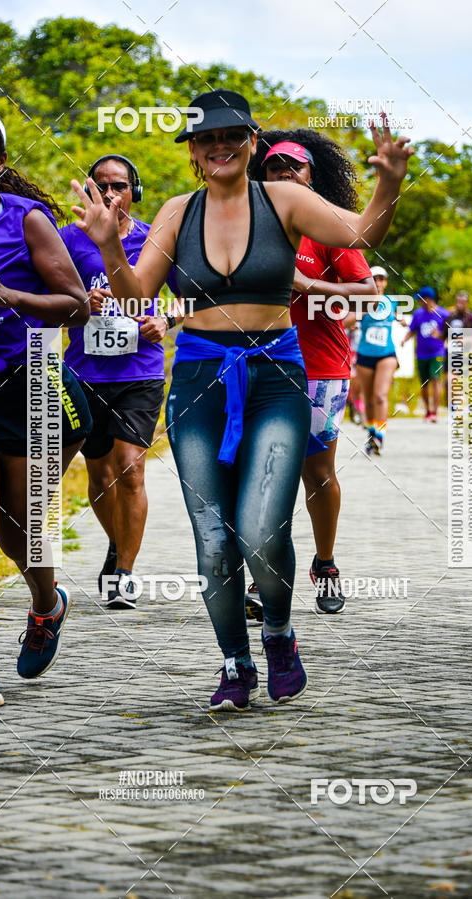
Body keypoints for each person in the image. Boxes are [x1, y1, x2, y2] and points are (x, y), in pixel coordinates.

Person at [70, 89, 413, 712]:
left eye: (233, 136)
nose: (220, 146)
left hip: (276, 377)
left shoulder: (283, 198)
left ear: (251, 142)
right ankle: (234, 661)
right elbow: (132, 295)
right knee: (213, 538)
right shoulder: (178, 212)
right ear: (194, 153)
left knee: (259, 527)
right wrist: (109, 246)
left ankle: (278, 632)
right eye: (205, 139)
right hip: (199, 383)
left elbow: (361, 233)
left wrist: (388, 185)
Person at [0, 102, 92, 710]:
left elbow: (77, 305)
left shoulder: (27, 220)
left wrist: (7, 294)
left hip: (31, 385)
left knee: (24, 534)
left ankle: (46, 604)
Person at [249, 131, 377, 615]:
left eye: (293, 167)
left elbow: (367, 291)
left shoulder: (326, 229)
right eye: (274, 167)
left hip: (320, 366)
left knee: (317, 473)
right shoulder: (245, 226)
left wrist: (305, 284)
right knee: (267, 473)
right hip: (260, 363)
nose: (283, 174)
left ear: (311, 175)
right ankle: (267, 575)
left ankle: (324, 563)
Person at [61, 154, 178, 609]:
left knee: (130, 467)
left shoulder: (155, 238)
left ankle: (125, 572)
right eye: (102, 185)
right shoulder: (69, 238)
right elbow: (52, 293)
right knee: (100, 473)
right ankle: (117, 543)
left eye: (120, 185)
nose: (110, 194)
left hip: (140, 372)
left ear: (135, 191)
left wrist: (166, 318)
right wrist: (79, 301)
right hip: (85, 372)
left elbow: (197, 296)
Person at [357, 265, 407, 455]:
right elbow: (346, 320)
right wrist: (358, 316)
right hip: (365, 354)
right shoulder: (361, 301)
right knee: (368, 400)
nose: (378, 282)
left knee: (380, 396)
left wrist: (401, 321)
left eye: (381, 279)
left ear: (386, 282)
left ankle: (380, 436)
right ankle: (371, 435)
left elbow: (399, 317)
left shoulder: (392, 301)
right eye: (374, 278)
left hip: (386, 354)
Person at [402, 286, 449, 421]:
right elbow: (412, 330)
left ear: (428, 299)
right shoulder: (418, 314)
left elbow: (450, 333)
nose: (419, 302)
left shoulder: (444, 314)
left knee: (435, 379)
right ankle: (428, 410)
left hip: (437, 352)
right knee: (424, 383)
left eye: (420, 299)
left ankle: (435, 411)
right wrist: (404, 339)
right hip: (421, 353)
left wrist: (439, 335)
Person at [442, 291, 472, 405]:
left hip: (467, 354)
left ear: (467, 303)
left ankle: (468, 406)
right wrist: (441, 338)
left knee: (468, 383)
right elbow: (444, 336)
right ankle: (452, 407)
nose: (459, 304)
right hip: (451, 354)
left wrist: (468, 340)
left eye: (462, 302)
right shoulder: (449, 318)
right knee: (449, 381)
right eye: (457, 302)